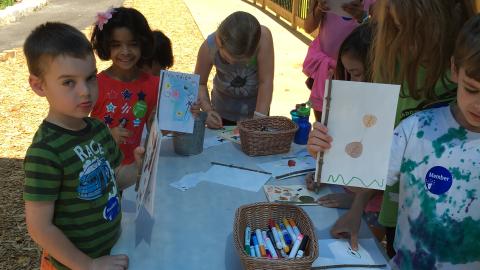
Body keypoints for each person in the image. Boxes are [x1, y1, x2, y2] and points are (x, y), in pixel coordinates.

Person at [307, 0, 474, 257]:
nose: (404, 42)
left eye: (416, 28)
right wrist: (328, 155)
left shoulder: (469, 70)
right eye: (395, 27)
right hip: (403, 223)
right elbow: (375, 149)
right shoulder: (389, 63)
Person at [23, 22, 143, 270]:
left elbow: (115, 178)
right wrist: (88, 264)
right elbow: (39, 227)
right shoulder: (45, 152)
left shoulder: (99, 129)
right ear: (39, 86)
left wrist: (140, 168)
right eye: (69, 82)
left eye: (90, 78)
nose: (85, 92)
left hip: (109, 251)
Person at [386, 15, 480, 268]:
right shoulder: (416, 130)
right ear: (454, 70)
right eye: (472, 89)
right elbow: (362, 176)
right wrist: (326, 151)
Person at [305, 23, 384, 241]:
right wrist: (324, 167)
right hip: (348, 196)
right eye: (349, 75)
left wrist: (357, 203)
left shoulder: (390, 111)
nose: (352, 82)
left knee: (362, 252)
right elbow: (343, 151)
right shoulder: (350, 104)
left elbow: (383, 168)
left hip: (373, 209)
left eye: (357, 73)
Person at [90, 7, 159, 165]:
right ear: (106, 45)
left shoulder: (153, 85)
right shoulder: (95, 84)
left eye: (133, 44)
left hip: (136, 166)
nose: (125, 51)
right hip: (100, 167)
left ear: (143, 44)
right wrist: (107, 136)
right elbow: (78, 129)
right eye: (116, 45)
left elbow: (154, 125)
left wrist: (178, 115)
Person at [194, 11, 274, 128]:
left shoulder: (263, 39)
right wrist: (207, 111)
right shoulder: (208, 48)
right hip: (221, 114)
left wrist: (258, 119)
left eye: (242, 61)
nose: (233, 63)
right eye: (227, 58)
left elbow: (265, 82)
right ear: (219, 40)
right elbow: (199, 83)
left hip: (256, 111)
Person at [302, 0, 375, 121]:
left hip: (353, 73)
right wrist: (319, 9)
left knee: (349, 119)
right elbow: (308, 27)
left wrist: (363, 16)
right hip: (324, 69)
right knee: (322, 121)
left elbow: (381, 29)